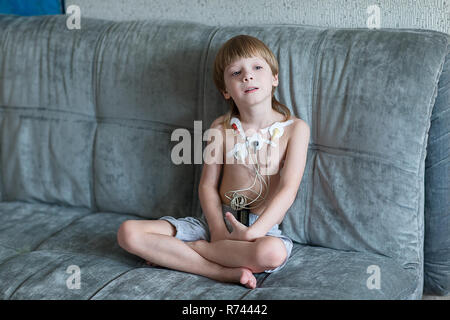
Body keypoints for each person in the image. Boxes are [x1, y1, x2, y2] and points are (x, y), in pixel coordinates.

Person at [117, 34, 310, 290]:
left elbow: (288, 189)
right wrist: (218, 230)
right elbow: (207, 186)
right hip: (214, 222)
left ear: (275, 77)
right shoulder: (220, 128)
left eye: (257, 67)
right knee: (128, 232)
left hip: (260, 229)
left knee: (272, 253)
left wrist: (252, 232)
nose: (247, 76)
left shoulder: (295, 129)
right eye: (236, 72)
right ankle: (220, 271)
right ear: (225, 91)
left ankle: (192, 251)